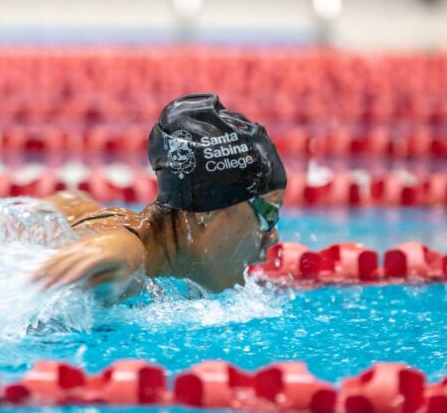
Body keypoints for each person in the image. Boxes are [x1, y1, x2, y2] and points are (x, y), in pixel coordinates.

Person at [32, 93, 287, 299]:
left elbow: (72, 203)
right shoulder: (130, 258)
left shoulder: (166, 278)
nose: (273, 236)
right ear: (206, 212)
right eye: (267, 213)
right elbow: (117, 249)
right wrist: (117, 253)